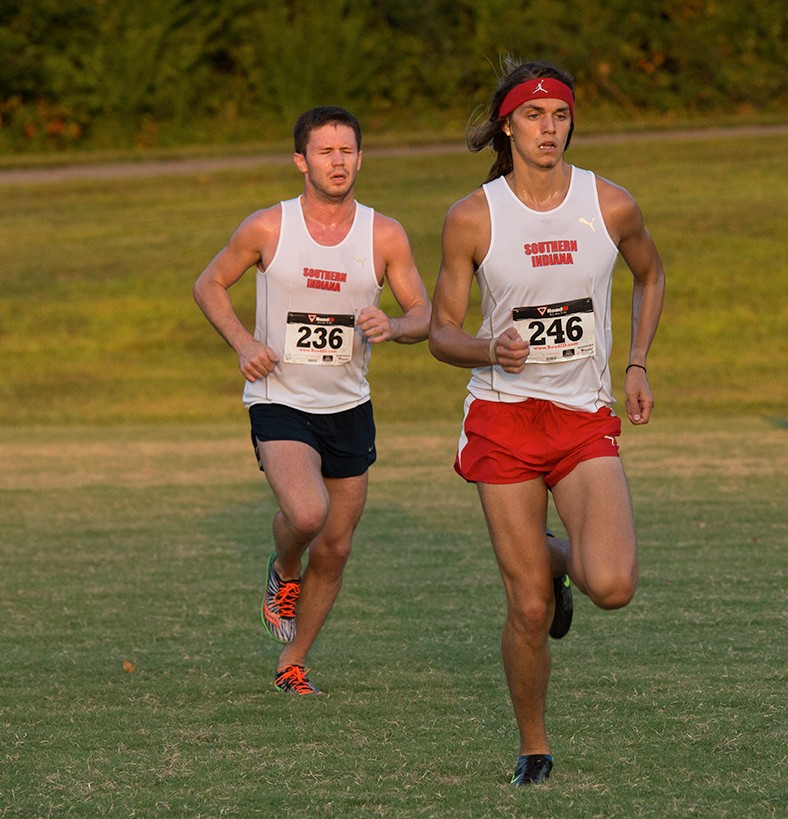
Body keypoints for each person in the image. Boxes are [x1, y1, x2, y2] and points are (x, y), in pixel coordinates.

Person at [428, 59, 665, 784]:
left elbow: (650, 273)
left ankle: (561, 555)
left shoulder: (610, 203)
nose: (549, 129)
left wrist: (636, 361)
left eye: (560, 116)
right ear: (508, 125)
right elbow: (440, 331)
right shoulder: (474, 216)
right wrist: (485, 345)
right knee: (528, 605)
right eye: (534, 117)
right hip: (501, 419)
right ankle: (534, 744)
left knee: (614, 583)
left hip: (581, 413)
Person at [194, 106, 430, 695]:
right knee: (307, 514)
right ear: (301, 161)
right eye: (325, 152)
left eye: (347, 150)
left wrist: (394, 325)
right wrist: (244, 342)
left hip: (349, 406)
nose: (338, 161)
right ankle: (283, 568)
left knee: (339, 544)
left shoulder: (384, 233)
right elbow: (209, 284)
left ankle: (292, 662)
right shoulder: (268, 227)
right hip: (279, 398)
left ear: (359, 156)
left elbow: (424, 314)